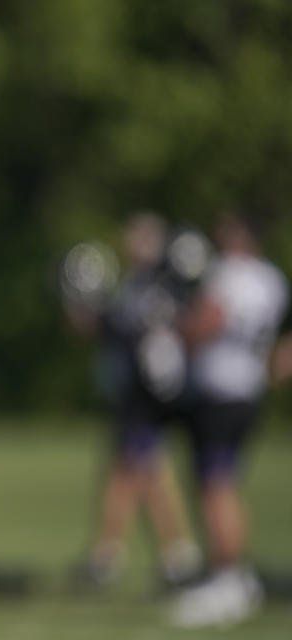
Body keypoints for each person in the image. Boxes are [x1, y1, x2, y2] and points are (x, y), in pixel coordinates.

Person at [63, 212, 202, 590]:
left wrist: (91, 310)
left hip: (149, 393)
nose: (132, 242)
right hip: (134, 393)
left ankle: (151, 555)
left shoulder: (160, 285)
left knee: (139, 470)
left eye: (141, 237)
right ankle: (119, 554)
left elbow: (129, 330)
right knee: (134, 470)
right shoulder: (136, 284)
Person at [171, 213, 288, 628]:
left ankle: (229, 576)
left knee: (214, 487)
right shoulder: (272, 279)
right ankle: (232, 575)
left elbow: (209, 321)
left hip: (219, 392)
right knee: (225, 484)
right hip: (249, 391)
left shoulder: (226, 274)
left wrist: (177, 331)